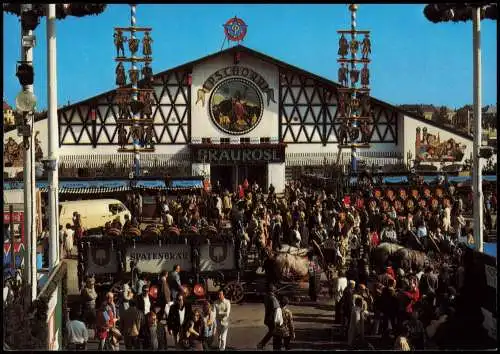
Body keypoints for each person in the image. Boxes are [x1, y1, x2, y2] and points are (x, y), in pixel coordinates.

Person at [257, 283, 280, 349]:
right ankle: (262, 344)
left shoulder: (266, 296)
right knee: (273, 332)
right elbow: (277, 307)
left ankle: (264, 344)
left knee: (273, 332)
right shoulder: (272, 298)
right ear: (273, 290)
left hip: (268, 317)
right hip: (272, 318)